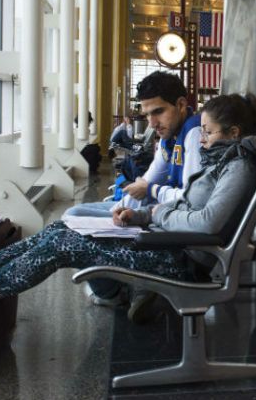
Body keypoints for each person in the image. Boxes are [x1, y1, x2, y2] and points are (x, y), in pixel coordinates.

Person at [0, 93, 256, 323]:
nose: (200, 139)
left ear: (234, 134)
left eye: (207, 132)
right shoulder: (221, 161)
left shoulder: (238, 166)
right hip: (166, 242)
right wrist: (138, 216)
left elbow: (207, 223)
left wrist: (154, 214)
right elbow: (189, 208)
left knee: (63, 246)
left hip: (185, 260)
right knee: (60, 231)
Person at [63, 71, 203, 313]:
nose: (151, 122)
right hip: (149, 212)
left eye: (158, 112)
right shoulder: (170, 138)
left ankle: (115, 292)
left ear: (181, 105)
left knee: (74, 222)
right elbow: (149, 178)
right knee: (74, 215)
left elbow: (189, 199)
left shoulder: (194, 134)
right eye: (147, 114)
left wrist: (150, 189)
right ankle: (133, 285)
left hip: (166, 221)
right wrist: (122, 206)